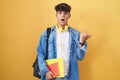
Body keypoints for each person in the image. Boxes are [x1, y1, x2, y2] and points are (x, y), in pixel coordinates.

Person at [37, 3, 91, 80]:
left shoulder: (76, 34)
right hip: (52, 76)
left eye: (65, 13)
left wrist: (82, 41)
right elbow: (40, 53)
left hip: (70, 76)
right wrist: (45, 71)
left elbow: (80, 57)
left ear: (69, 15)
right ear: (56, 15)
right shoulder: (47, 33)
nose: (62, 15)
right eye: (60, 13)